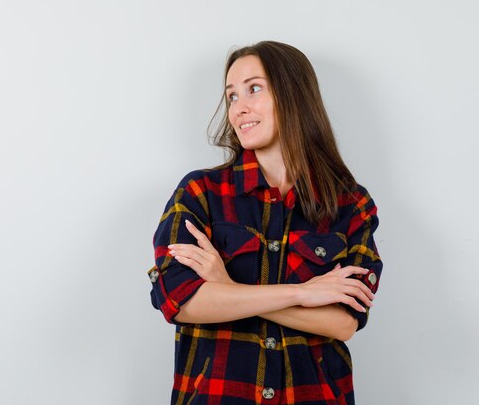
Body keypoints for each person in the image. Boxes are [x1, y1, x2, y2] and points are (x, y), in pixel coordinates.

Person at [147, 41, 383, 405]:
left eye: (253, 89)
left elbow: (343, 322)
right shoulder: (200, 193)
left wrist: (227, 286)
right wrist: (303, 293)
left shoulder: (350, 204)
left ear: (293, 94)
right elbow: (179, 301)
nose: (239, 108)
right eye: (231, 96)